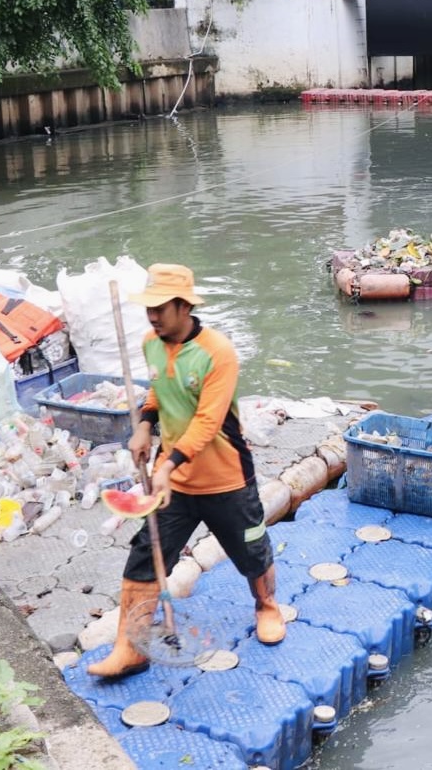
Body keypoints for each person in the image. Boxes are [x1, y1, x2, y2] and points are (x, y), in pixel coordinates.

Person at [88, 264, 285, 678]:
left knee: (251, 550)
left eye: (161, 308)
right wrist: (144, 425)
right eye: (149, 309)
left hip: (226, 477)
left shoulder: (218, 352)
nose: (153, 316)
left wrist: (170, 462)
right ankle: (132, 646)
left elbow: (208, 422)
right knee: (146, 553)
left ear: (184, 306)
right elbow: (158, 391)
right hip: (172, 480)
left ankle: (267, 607)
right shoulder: (151, 343)